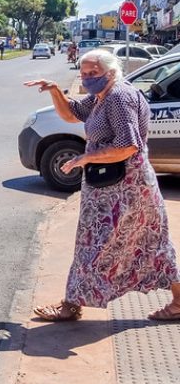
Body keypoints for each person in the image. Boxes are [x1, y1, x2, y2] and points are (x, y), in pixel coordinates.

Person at [24, 49, 180, 322]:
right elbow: (72, 114)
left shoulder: (119, 97)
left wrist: (86, 157)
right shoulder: (102, 96)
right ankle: (74, 302)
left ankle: (71, 305)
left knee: (101, 243)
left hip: (127, 188)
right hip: (112, 187)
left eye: (92, 73)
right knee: (141, 242)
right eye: (83, 73)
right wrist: (54, 91)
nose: (86, 79)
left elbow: (128, 145)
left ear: (110, 72)